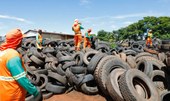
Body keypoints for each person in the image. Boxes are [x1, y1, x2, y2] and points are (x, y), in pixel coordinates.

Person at [0, 29, 42, 101]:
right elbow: (21, 78)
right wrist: (35, 92)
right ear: (18, 41)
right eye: (21, 39)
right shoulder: (12, 56)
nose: (22, 41)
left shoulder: (2, 52)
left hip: (3, 93)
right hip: (13, 95)